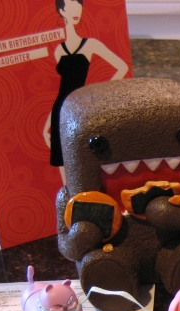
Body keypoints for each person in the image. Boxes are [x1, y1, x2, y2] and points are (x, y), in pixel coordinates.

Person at [44, 0, 129, 183]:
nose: (77, 10)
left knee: (85, 161)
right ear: (62, 10)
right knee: (63, 165)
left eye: (79, 5)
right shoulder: (59, 50)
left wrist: (98, 94)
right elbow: (62, 89)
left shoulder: (90, 44)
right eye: (71, 6)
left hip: (80, 108)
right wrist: (47, 124)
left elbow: (121, 67)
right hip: (60, 109)